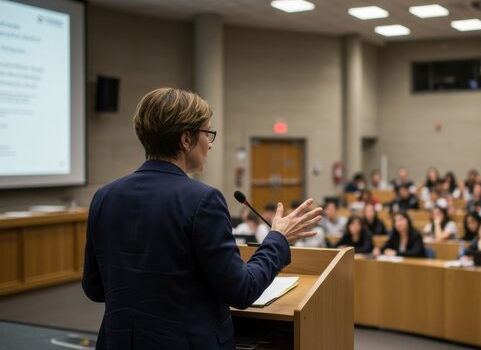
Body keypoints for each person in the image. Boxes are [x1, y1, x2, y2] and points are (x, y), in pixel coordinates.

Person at [82, 88, 322, 350]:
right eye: (207, 134)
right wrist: (278, 238)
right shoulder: (201, 200)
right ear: (186, 139)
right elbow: (241, 291)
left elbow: (95, 289)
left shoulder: (104, 197)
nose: (210, 143)